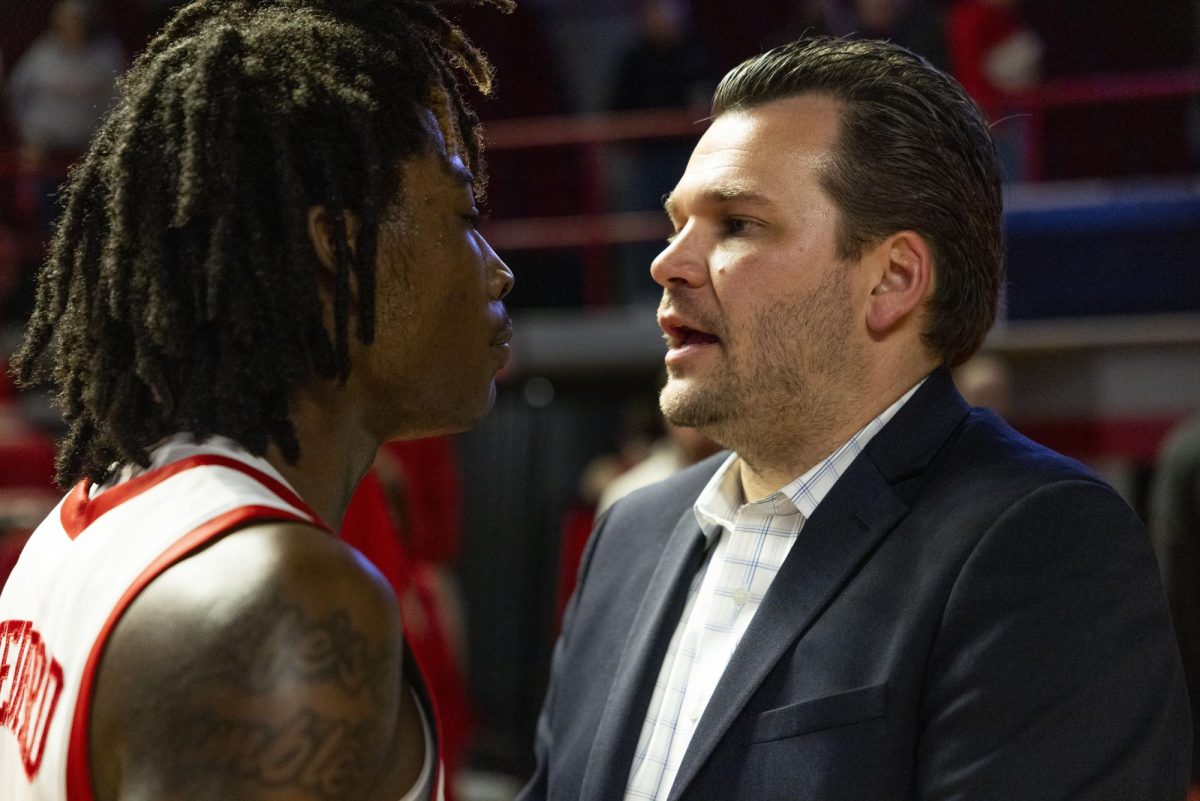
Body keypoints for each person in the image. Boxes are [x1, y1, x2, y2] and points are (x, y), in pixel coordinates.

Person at [518, 36, 1191, 801]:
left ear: (893, 280)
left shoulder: (1044, 541)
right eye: (676, 222)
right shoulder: (629, 532)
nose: (667, 261)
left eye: (737, 223)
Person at [0, 0, 514, 799]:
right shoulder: (282, 599)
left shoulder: (85, 526)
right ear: (335, 247)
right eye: (463, 216)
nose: (496, 269)